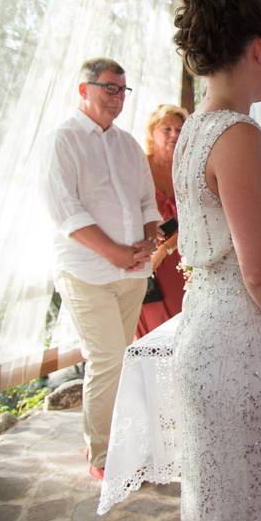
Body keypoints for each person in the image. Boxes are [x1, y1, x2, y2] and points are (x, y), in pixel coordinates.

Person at [171, 0, 261, 521]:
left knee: (218, 505)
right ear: (259, 47)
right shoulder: (237, 134)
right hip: (240, 348)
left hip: (202, 331)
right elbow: (257, 268)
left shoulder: (192, 130)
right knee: (249, 505)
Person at [42, 57, 161, 480]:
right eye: (109, 88)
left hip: (132, 272)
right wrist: (112, 251)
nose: (116, 97)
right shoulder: (64, 139)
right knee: (107, 358)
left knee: (122, 357)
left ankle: (124, 437)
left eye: (122, 90)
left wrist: (149, 239)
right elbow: (65, 211)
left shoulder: (128, 144)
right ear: (84, 89)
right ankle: (102, 455)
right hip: (85, 271)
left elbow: (147, 202)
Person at [136, 103, 188, 338]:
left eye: (179, 129)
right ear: (152, 132)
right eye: (166, 129)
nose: (174, 134)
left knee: (183, 329)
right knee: (154, 335)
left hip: (182, 259)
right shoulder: (138, 166)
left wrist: (166, 248)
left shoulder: (187, 168)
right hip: (148, 263)